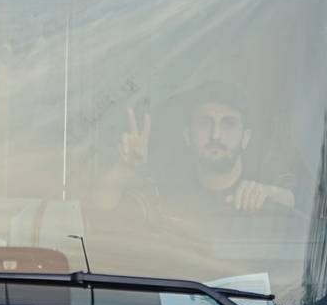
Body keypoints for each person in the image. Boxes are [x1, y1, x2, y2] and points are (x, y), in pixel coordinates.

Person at [95, 87, 296, 221]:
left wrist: (270, 195)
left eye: (228, 124)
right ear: (187, 136)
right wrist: (123, 170)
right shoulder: (163, 194)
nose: (216, 135)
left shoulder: (268, 179)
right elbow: (99, 218)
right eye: (205, 122)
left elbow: (311, 213)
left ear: (246, 138)